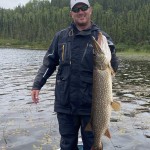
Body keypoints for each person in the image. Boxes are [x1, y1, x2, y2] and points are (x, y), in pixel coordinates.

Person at [31, 0, 119, 149]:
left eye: (83, 8)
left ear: (90, 10)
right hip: (65, 105)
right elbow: (49, 63)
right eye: (76, 9)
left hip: (92, 107)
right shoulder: (61, 37)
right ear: (71, 13)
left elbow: (114, 67)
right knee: (67, 145)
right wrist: (37, 84)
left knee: (93, 142)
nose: (80, 12)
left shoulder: (101, 37)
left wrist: (112, 51)